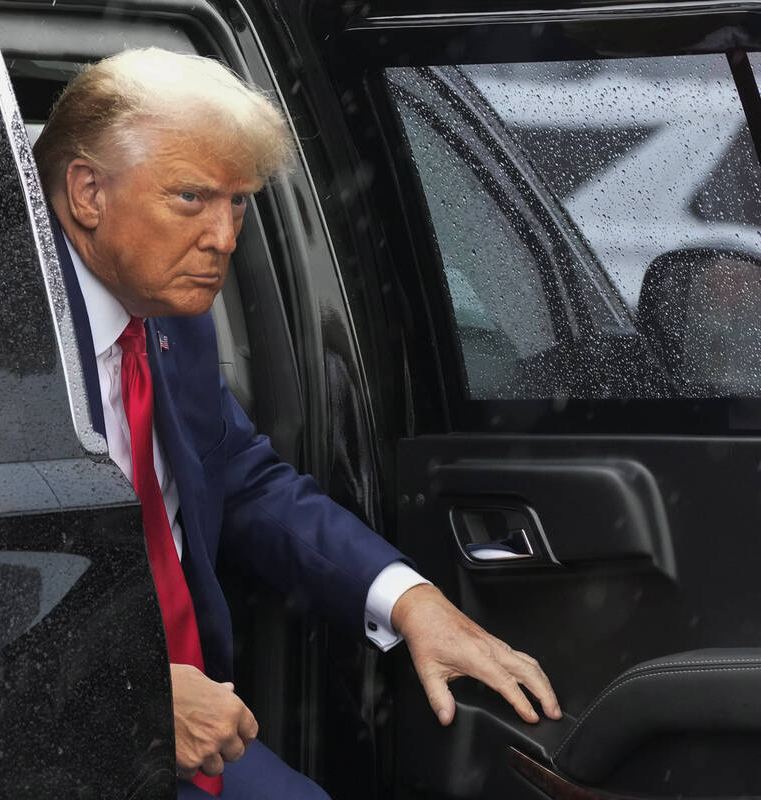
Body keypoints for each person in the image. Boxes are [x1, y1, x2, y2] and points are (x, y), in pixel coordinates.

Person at [33, 47, 562, 799]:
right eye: (191, 198)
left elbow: (243, 483)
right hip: (37, 737)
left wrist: (412, 603)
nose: (224, 237)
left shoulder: (166, 316)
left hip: (188, 732)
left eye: (238, 201)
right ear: (87, 192)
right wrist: (135, 692)